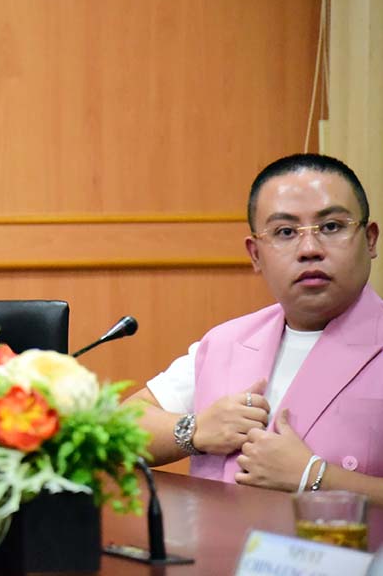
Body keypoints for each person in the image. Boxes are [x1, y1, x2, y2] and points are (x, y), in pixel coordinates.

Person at [125, 153, 383, 504]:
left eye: (331, 227)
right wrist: (194, 430)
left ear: (370, 239)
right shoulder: (227, 342)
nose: (309, 249)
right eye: (285, 232)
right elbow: (121, 427)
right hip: (219, 540)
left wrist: (315, 478)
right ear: (256, 255)